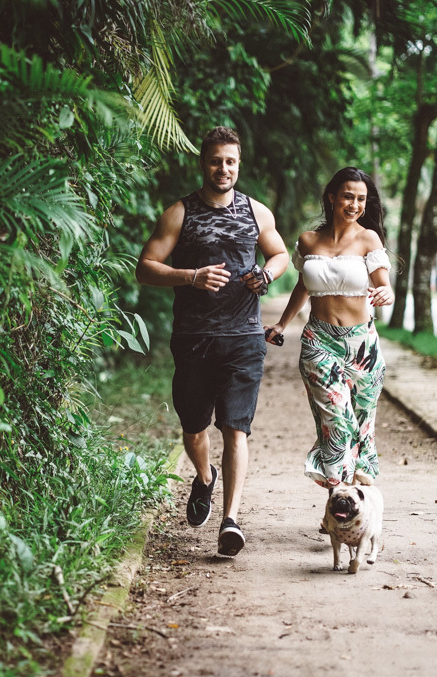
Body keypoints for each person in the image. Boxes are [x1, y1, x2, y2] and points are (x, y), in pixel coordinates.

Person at [136, 126, 289, 556]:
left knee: (235, 429)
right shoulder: (179, 213)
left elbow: (280, 255)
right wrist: (191, 276)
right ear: (203, 163)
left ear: (239, 165)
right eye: (216, 161)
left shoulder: (256, 212)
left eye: (231, 162)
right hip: (194, 338)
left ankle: (230, 520)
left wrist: (267, 274)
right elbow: (145, 267)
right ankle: (204, 477)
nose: (224, 169)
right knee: (195, 427)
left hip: (243, 338)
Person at [264, 166, 394, 489]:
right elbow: (303, 287)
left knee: (363, 428)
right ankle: (340, 495)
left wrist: (386, 292)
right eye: (348, 196)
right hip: (319, 341)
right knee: (337, 423)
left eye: (361, 199)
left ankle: (350, 506)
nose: (354, 205)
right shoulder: (308, 241)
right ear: (333, 197)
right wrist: (282, 323)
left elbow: (384, 284)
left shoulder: (369, 239)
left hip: (362, 346)